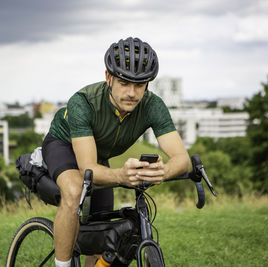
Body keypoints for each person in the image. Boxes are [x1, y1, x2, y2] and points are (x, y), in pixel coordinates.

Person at [41, 37, 190, 267]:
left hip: (98, 157)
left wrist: (163, 171)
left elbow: (182, 159)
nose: (132, 92)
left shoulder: (153, 105)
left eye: (139, 85)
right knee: (73, 191)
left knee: (101, 237)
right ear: (108, 78)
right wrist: (122, 176)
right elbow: (87, 168)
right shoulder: (84, 102)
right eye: (124, 83)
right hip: (63, 146)